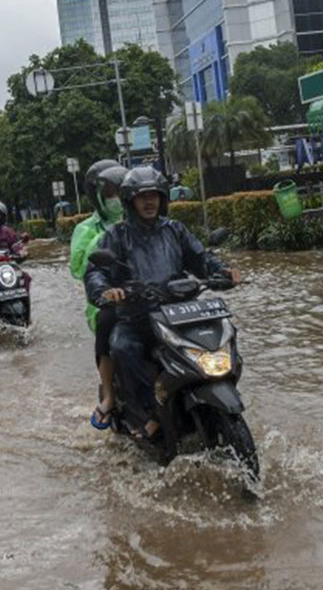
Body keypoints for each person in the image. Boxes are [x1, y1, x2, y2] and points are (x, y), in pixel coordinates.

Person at [84, 166, 239, 442]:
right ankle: (149, 413)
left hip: (180, 314)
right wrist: (107, 290)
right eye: (142, 196)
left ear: (163, 198)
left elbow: (201, 258)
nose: (149, 201)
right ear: (130, 201)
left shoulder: (175, 230)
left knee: (222, 337)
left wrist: (222, 271)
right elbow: (95, 272)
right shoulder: (117, 236)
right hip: (137, 317)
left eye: (154, 195)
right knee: (123, 346)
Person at [69, 160, 127, 430]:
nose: (117, 199)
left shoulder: (141, 220)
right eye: (111, 193)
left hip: (149, 296)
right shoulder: (87, 230)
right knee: (108, 325)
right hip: (106, 302)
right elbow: (80, 269)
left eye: (120, 191)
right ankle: (110, 395)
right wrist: (99, 246)